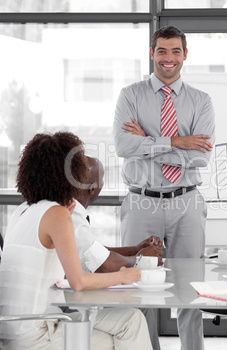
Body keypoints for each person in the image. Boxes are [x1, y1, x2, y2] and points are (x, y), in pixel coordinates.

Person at [0, 132, 152, 350]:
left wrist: (64, 220)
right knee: (124, 329)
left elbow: (52, 271)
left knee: (126, 325)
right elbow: (78, 281)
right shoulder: (56, 215)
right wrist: (123, 276)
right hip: (35, 335)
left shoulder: (23, 211)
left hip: (12, 330)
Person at [113, 25, 215, 350]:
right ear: (152, 53)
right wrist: (177, 141)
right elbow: (122, 145)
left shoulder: (201, 101)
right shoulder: (131, 95)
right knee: (137, 285)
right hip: (141, 202)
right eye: (161, 51)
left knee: (190, 287)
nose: (168, 58)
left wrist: (148, 140)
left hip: (186, 202)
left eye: (175, 51)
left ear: (185, 55)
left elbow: (200, 159)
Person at [72, 155, 163, 350]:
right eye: (103, 179)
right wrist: (139, 259)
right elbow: (103, 263)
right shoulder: (70, 217)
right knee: (138, 306)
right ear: (93, 189)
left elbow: (95, 251)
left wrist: (135, 249)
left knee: (140, 303)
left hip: (70, 297)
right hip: (69, 304)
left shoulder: (69, 213)